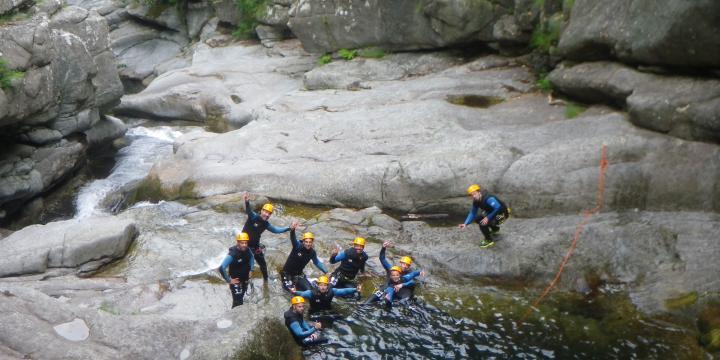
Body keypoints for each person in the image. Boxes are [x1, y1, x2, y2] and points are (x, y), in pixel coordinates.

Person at [242, 192, 290, 281]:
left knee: (263, 265)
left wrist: (289, 228)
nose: (267, 215)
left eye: (269, 213)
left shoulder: (266, 224)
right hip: (244, 245)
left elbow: (276, 230)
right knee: (246, 266)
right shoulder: (253, 217)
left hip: (255, 246)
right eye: (266, 212)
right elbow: (248, 210)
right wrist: (247, 201)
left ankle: (266, 280)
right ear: (262, 211)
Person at [458, 184, 510, 248]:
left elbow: (498, 207)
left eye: (474, 193)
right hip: (492, 212)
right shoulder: (476, 201)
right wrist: (465, 223)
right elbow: (473, 213)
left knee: (483, 223)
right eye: (472, 195)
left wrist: (488, 217)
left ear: (479, 192)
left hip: (502, 214)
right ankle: (495, 229)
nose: (473, 196)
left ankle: (489, 240)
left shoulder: (488, 198)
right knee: (477, 219)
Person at [281, 225, 329, 293]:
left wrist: (326, 272)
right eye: (306, 242)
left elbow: (317, 262)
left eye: (310, 242)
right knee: (292, 292)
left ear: (312, 242)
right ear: (303, 242)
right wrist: (292, 230)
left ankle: (313, 283)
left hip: (299, 274)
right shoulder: (297, 246)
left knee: (310, 291)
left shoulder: (312, 252)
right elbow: (293, 238)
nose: (308, 244)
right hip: (287, 273)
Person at [218, 232, 254, 308]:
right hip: (236, 281)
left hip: (245, 280)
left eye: (246, 243)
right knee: (238, 302)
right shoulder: (233, 254)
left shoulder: (248, 249)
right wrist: (229, 280)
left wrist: (251, 269)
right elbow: (221, 267)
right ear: (238, 243)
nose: (244, 245)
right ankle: (233, 318)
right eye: (242, 243)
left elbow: (252, 257)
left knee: (241, 298)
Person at [292, 275, 358, 314]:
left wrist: (355, 289)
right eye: (320, 285)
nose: (322, 287)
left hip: (327, 310)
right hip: (314, 312)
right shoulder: (311, 293)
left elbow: (344, 291)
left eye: (324, 285)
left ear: (327, 285)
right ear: (318, 285)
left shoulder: (332, 291)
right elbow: (301, 294)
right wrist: (295, 292)